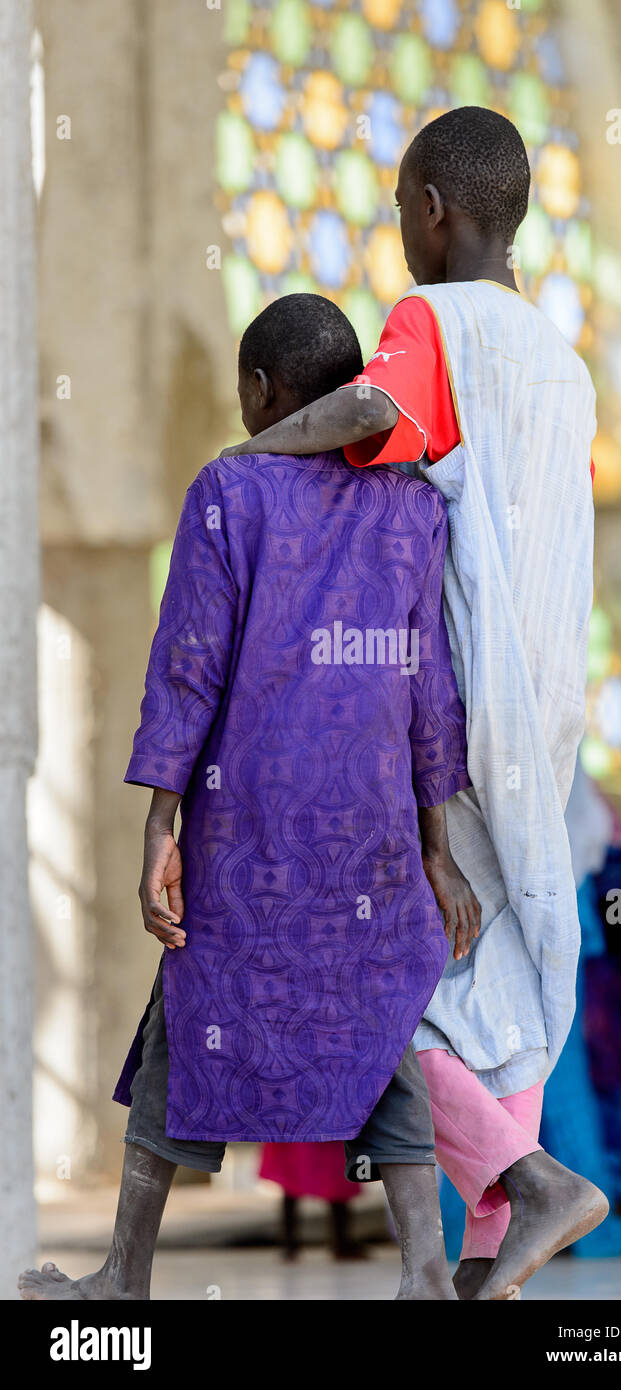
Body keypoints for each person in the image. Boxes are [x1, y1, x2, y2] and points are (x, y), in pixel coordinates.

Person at [18, 293, 480, 1303]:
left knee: (188, 1017)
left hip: (248, 828)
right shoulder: (412, 503)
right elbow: (428, 688)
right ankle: (423, 1271)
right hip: (371, 832)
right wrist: (435, 847)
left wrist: (158, 826)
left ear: (262, 391)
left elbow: (189, 668)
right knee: (378, 1032)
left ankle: (124, 1276)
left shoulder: (230, 489)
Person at [218, 107, 609, 1299]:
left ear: (432, 208)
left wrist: (256, 455)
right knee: (518, 964)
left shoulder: (431, 320)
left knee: (374, 987)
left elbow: (374, 417)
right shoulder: (564, 363)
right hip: (548, 707)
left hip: (455, 698)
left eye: (394, 206)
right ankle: (497, 1253)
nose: (396, 228)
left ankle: (526, 1181)